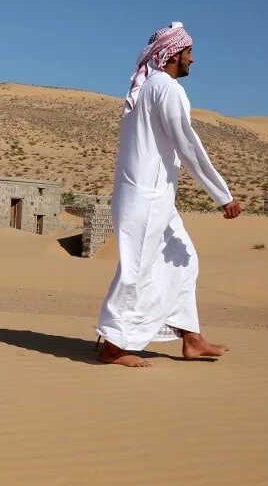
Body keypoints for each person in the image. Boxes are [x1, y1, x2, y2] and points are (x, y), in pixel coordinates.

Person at [96, 23, 242, 366]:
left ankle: (191, 338)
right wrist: (222, 195)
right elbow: (188, 145)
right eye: (189, 52)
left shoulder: (148, 88)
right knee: (137, 272)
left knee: (184, 260)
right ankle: (112, 347)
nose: (193, 59)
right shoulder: (165, 88)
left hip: (155, 197)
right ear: (174, 55)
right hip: (144, 198)